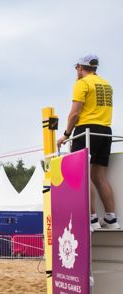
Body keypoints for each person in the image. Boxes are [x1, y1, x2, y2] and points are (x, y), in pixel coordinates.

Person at [57, 54, 119, 230]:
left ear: (80, 67)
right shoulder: (107, 84)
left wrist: (66, 134)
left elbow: (75, 113)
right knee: (99, 176)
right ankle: (111, 218)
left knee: (82, 176)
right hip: (106, 131)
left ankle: (92, 219)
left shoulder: (82, 83)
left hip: (86, 131)